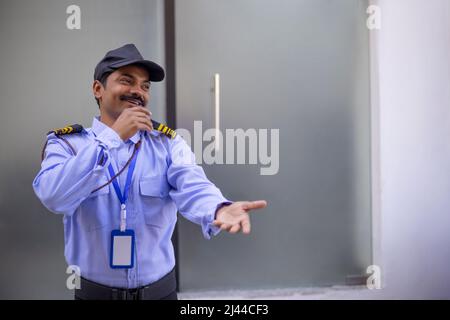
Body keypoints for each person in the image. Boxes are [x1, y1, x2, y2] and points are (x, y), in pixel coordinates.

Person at [32, 43, 267, 300]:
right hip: (94, 294)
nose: (138, 91)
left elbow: (192, 184)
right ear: (97, 89)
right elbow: (54, 196)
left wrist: (218, 208)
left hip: (161, 293)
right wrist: (112, 137)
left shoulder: (166, 143)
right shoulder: (66, 144)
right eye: (126, 81)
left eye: (145, 86)